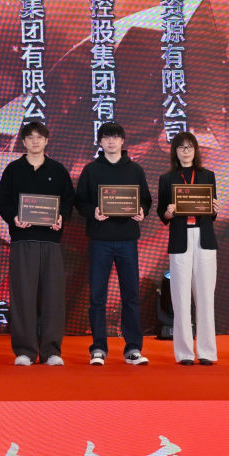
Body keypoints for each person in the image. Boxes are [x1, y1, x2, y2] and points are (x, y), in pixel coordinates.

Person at [73, 121, 153, 365]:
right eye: (106, 137)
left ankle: (133, 348)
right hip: (100, 240)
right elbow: (80, 202)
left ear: (122, 141)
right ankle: (98, 348)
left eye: (115, 137)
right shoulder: (91, 170)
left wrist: (142, 211)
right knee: (97, 296)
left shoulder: (135, 170)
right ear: (100, 142)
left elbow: (146, 200)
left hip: (128, 239)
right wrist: (93, 212)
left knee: (131, 295)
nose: (111, 141)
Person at [0, 120, 74, 366]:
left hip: (51, 242)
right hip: (23, 241)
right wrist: (14, 217)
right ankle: (25, 351)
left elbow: (68, 201)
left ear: (46, 140)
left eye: (39, 137)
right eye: (30, 137)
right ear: (23, 142)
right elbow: (2, 201)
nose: (35, 141)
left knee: (53, 296)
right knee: (23, 296)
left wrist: (61, 217)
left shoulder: (58, 170)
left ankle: (51, 351)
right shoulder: (13, 169)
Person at [158, 131, 219, 365]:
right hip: (180, 239)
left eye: (189, 147)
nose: (186, 151)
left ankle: (207, 352)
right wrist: (169, 212)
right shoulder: (167, 178)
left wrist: (214, 209)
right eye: (181, 147)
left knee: (205, 296)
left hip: (204, 239)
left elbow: (211, 213)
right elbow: (162, 213)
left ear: (196, 150)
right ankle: (184, 352)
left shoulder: (207, 175)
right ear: (175, 151)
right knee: (180, 296)